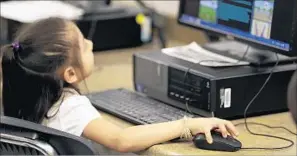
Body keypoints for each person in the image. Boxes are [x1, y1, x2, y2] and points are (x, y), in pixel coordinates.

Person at [0, 17, 239, 153]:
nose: (91, 43)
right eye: (84, 45)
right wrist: (187, 124)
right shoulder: (68, 107)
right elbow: (121, 140)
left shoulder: (22, 94)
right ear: (70, 73)